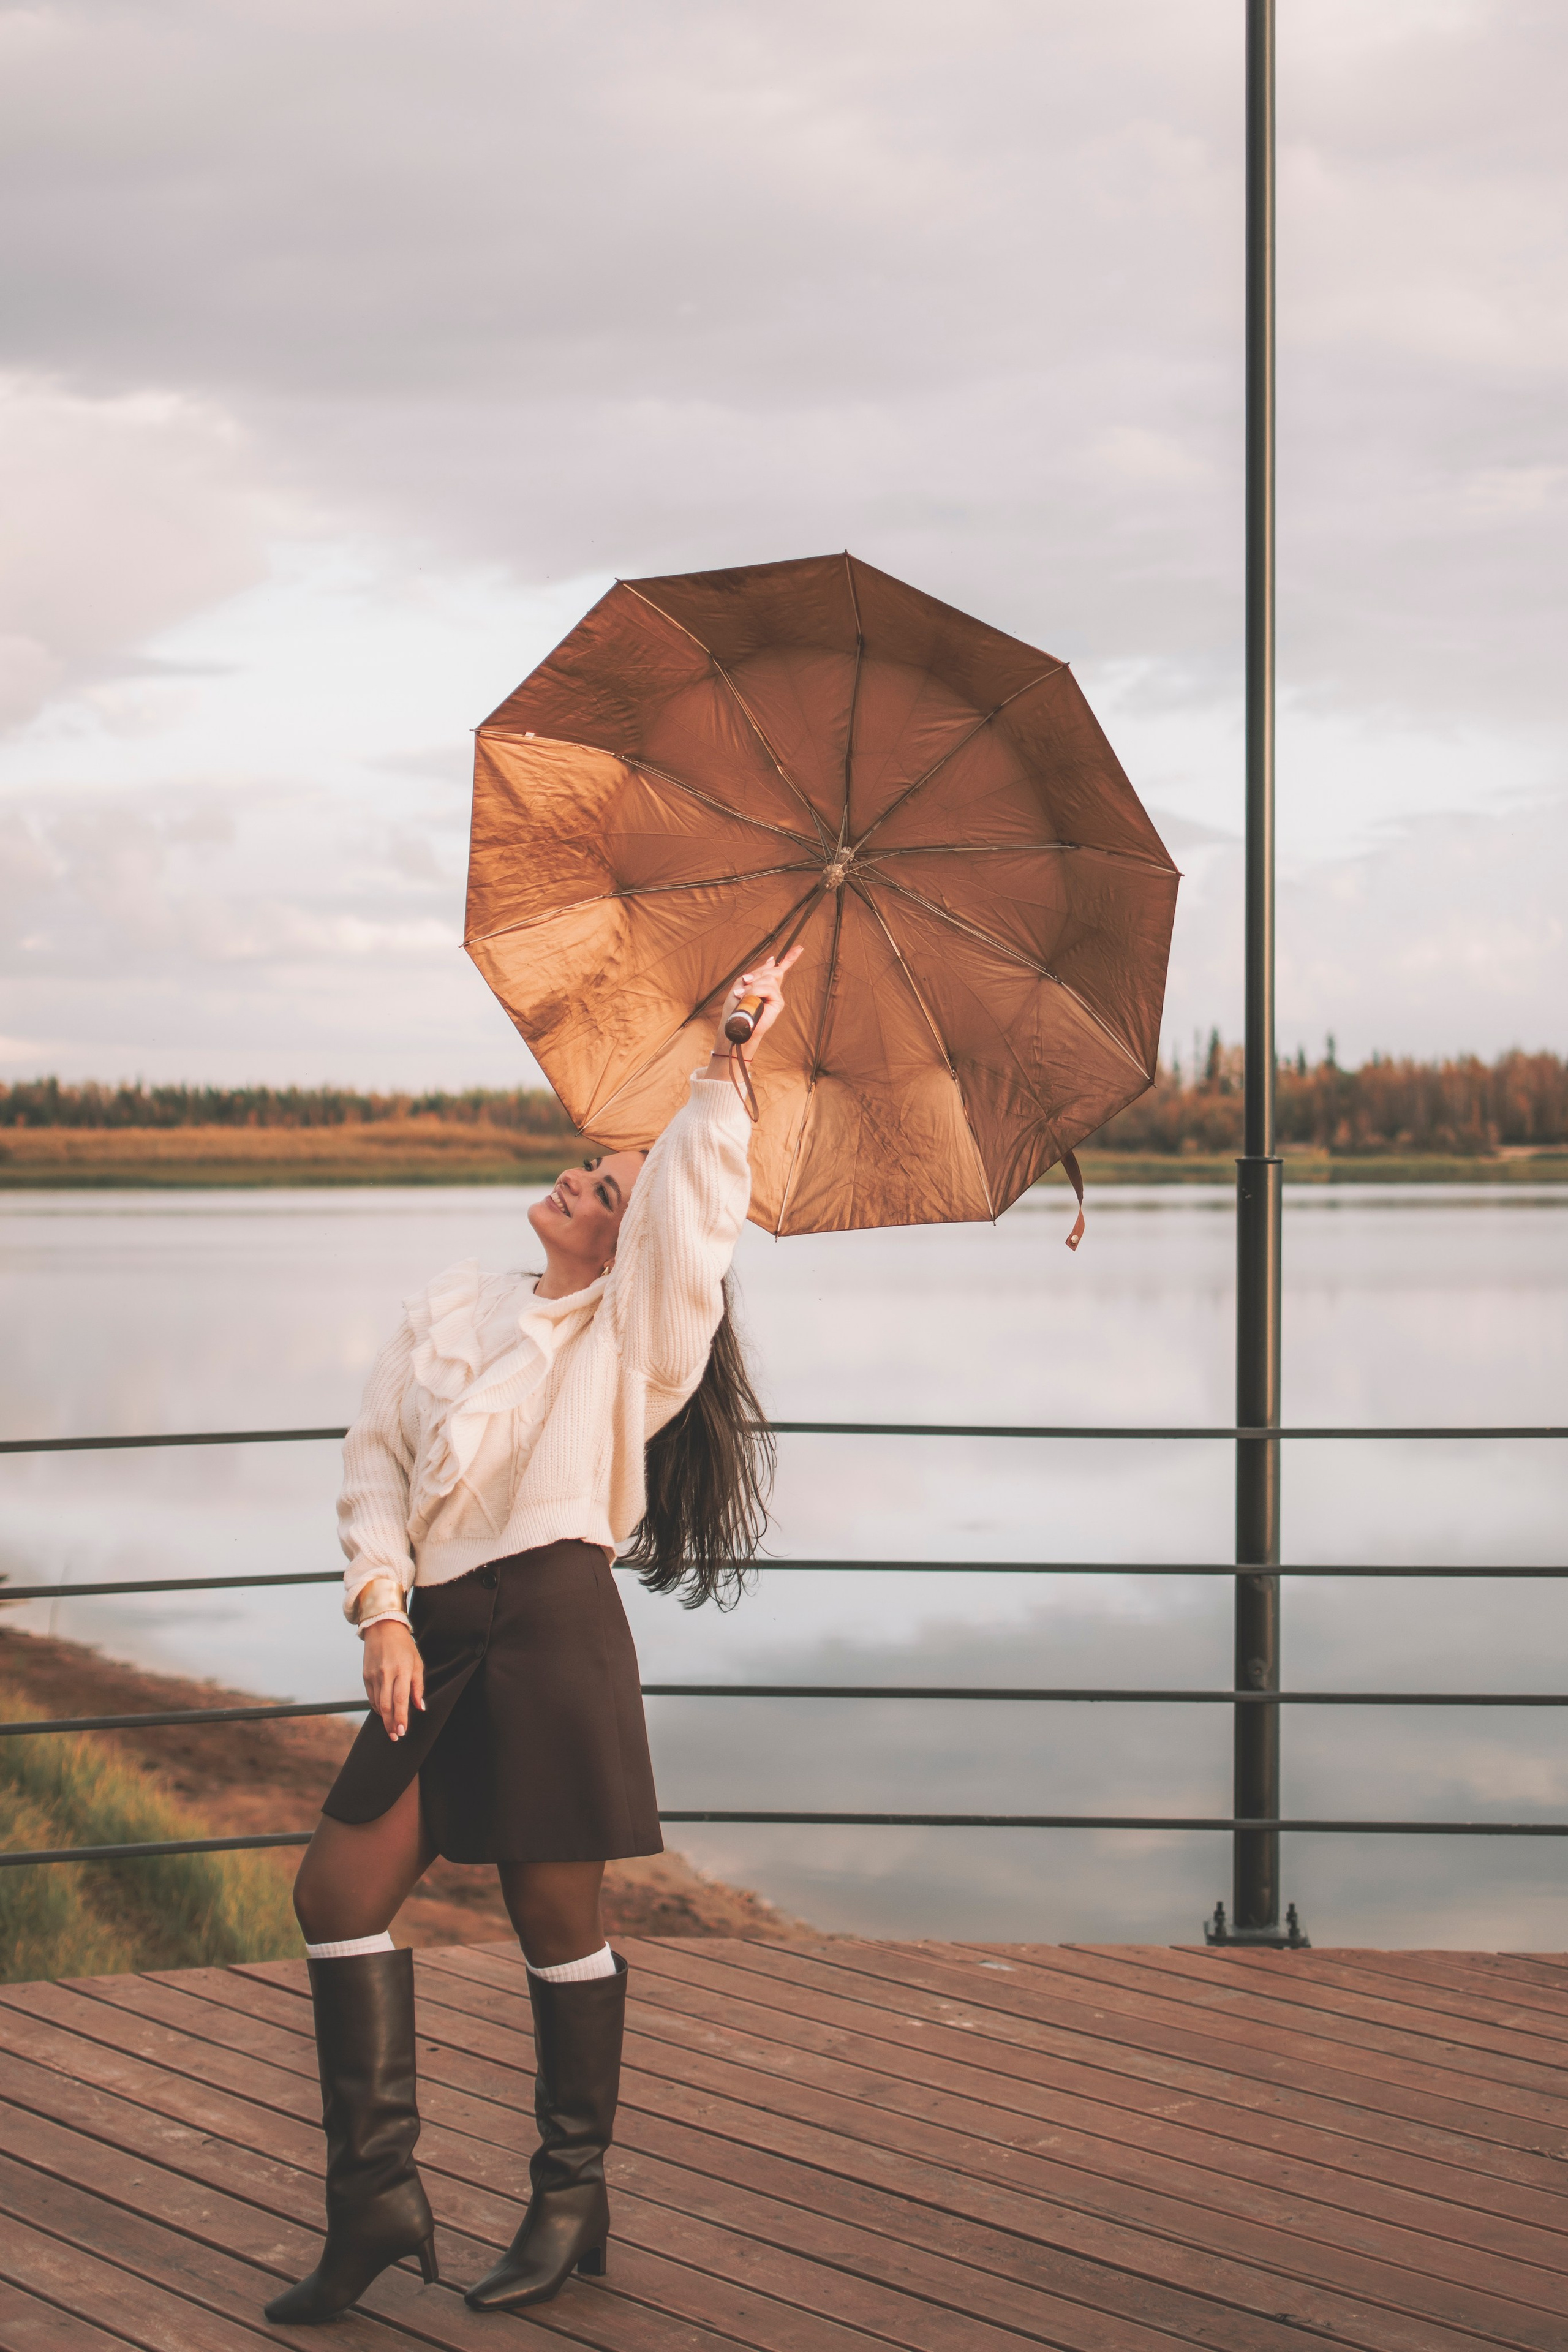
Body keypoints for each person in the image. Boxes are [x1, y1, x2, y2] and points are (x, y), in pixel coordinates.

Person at [263, 948, 799, 2326]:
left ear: (628, 1237)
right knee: (336, 1896)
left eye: (607, 1187)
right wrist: (381, 1611)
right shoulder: (452, 1303)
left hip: (555, 1635)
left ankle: (569, 2194)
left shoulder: (635, 1349)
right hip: (433, 1638)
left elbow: (692, 1217)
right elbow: (373, 1468)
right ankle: (377, 2202)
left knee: (552, 1919)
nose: (582, 1177)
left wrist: (729, 1053)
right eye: (589, 1169)